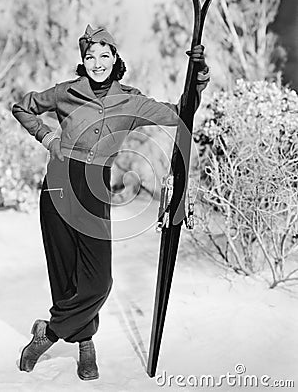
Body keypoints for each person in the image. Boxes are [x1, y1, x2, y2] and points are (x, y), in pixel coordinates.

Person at [11, 24, 210, 381]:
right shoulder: (65, 93)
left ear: (116, 59)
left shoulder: (133, 102)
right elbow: (22, 107)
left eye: (105, 55)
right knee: (65, 271)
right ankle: (86, 344)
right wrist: (47, 137)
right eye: (90, 56)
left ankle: (48, 334)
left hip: (95, 189)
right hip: (58, 182)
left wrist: (198, 75)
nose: (97, 62)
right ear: (83, 61)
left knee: (98, 280)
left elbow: (182, 112)